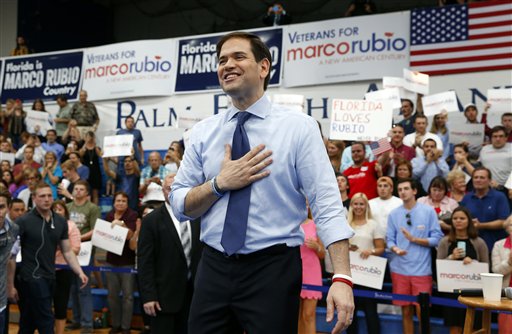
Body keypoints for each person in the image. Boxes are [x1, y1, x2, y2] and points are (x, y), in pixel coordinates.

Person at [170, 32, 354, 334]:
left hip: (273, 270)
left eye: (238, 57)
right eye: (221, 60)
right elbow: (179, 205)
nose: (227, 64)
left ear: (264, 67)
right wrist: (219, 183)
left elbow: (328, 206)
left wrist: (342, 277)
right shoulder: (203, 133)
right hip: (213, 267)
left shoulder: (299, 128)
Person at [10, 182, 88, 333]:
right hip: (30, 277)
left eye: (49, 195)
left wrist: (79, 271)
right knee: (46, 319)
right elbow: (10, 254)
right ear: (34, 198)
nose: (46, 199)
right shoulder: (23, 221)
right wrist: (9, 285)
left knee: (28, 321)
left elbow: (67, 251)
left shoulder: (60, 222)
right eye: (42, 196)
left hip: (50, 276)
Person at [138, 174, 202, 334]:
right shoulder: (151, 221)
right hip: (163, 299)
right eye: (168, 188)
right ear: (163, 192)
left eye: (178, 188)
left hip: (196, 297)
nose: (173, 192)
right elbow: (145, 262)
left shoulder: (199, 217)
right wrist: (149, 296)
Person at [386, 178, 443, 334]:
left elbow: (437, 238)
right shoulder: (393, 214)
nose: (403, 192)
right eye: (400, 189)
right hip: (399, 269)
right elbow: (389, 239)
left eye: (406, 188)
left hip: (421, 271)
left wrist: (414, 239)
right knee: (405, 311)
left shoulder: (428, 212)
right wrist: (395, 248)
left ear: (415, 191)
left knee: (422, 311)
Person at [437, 206, 489, 334]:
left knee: (474, 327)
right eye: (455, 218)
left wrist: (473, 263)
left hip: (474, 291)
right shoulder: (445, 242)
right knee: (454, 326)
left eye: (462, 218)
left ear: (468, 221)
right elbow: (439, 265)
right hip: (451, 290)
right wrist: (451, 257)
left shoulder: (479, 242)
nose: (458, 221)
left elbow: (487, 266)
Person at [346, 193, 384, 334]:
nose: (358, 207)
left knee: (370, 311)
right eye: (356, 204)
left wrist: (371, 251)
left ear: (366, 206)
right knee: (350, 310)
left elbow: (381, 248)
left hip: (368, 274)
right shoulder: (346, 224)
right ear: (351, 206)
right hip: (350, 272)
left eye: (361, 204)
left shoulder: (373, 225)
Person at [66, 180, 100, 333]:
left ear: (87, 193)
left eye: (81, 189)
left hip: (85, 248)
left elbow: (95, 230)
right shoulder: (67, 207)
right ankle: (76, 319)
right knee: (72, 288)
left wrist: (77, 239)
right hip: (68, 249)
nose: (78, 191)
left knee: (83, 287)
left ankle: (87, 324)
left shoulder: (92, 208)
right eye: (76, 189)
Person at [105, 192, 138, 334]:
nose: (120, 203)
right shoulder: (109, 215)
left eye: (123, 201)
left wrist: (121, 224)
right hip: (111, 260)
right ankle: (115, 325)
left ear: (127, 202)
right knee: (112, 296)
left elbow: (130, 235)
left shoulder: (132, 215)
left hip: (127, 261)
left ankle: (126, 327)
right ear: (114, 203)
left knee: (128, 296)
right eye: (118, 200)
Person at [461, 167, 510, 253]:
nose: (478, 180)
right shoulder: (467, 197)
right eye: (475, 177)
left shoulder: (499, 197)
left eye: (482, 177)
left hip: (494, 246)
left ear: (489, 180)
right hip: (471, 246)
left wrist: (481, 225)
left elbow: (504, 222)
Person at [51, 200, 81, 334]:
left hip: (63, 269)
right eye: (55, 209)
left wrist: (61, 247)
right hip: (45, 269)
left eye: (60, 209)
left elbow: (75, 249)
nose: (57, 212)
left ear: (65, 211)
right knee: (43, 304)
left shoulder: (71, 226)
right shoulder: (44, 225)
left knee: (60, 305)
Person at [298, 212, 324, 334]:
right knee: (294, 314)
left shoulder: (316, 225)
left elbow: (323, 254)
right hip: (292, 270)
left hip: (312, 272)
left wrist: (317, 247)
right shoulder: (288, 224)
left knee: (308, 314)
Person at [491, 215, 512, 334]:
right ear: (507, 228)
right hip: (506, 295)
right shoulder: (499, 245)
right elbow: (496, 271)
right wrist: (509, 263)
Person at [1, 193, 18, 334]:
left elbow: (11, 259)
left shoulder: (13, 229)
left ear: (8, 208)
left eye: (1, 207)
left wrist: (11, 286)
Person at [79, 132, 102, 204]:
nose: (90, 138)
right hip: (86, 172)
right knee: (85, 192)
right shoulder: (83, 148)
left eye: (91, 137)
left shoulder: (97, 148)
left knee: (95, 193)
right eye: (88, 137)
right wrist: (86, 143)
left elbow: (100, 155)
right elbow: (80, 154)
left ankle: (95, 211)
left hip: (95, 171)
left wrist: (95, 144)